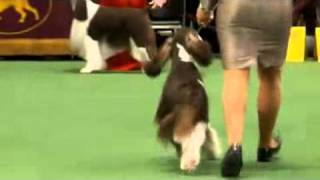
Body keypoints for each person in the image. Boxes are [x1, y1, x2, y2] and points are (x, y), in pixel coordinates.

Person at [196, 0, 292, 177]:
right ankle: (265, 144)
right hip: (278, 8)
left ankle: (235, 146)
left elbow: (206, 7)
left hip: (236, 7)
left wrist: (205, 7)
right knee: (271, 73)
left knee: (236, 72)